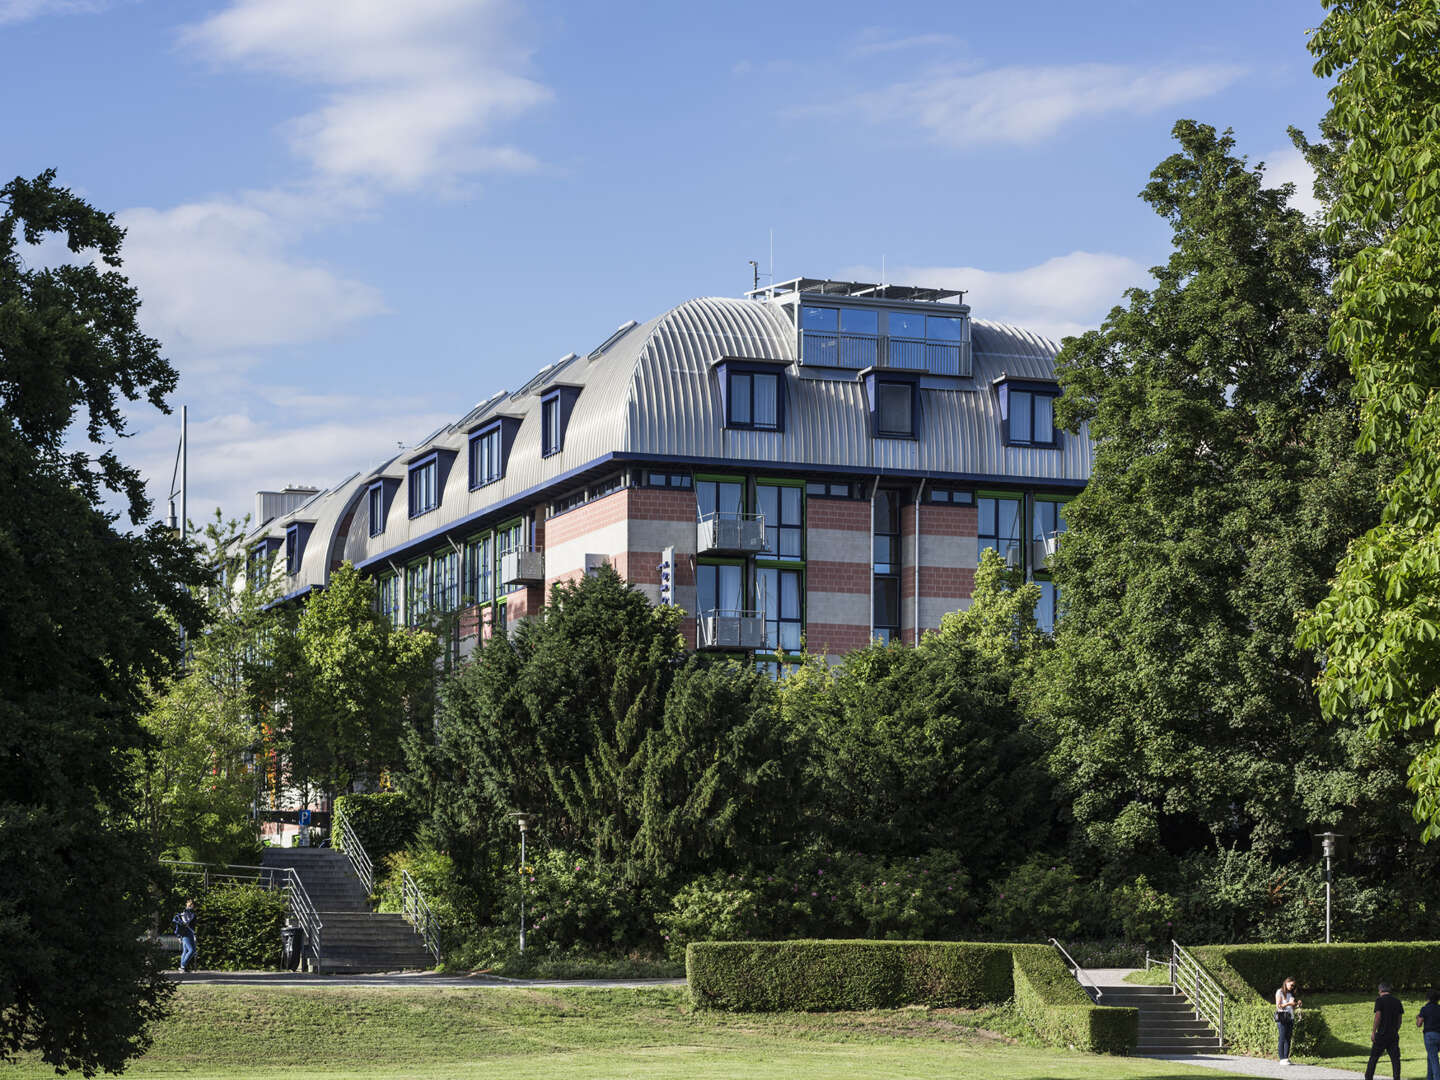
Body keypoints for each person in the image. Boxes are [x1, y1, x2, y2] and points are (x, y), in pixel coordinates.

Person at [1365, 981, 1404, 1080]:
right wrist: (1396, 1029)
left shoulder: (1380, 1000)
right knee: (1395, 1059)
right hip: (1393, 1035)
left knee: (1373, 1058)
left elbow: (1378, 1016)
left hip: (1382, 1034)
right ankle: (1396, 1078)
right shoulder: (1397, 1001)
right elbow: (1400, 1019)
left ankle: (1368, 1077)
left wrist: (1374, 1031)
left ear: (1380, 990)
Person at [1275, 976, 1302, 1064]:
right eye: (1291, 985)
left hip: (1290, 1017)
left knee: (1288, 1038)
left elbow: (1292, 1008)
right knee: (1282, 1037)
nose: (1292, 987)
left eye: (1293, 986)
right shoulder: (1280, 992)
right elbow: (1278, 1006)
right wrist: (1289, 1003)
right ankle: (1281, 1058)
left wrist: (1297, 1004)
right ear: (1286, 983)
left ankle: (1286, 1058)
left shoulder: (1291, 993)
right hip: (1282, 1017)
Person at [1417, 988, 1440, 1080]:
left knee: (1434, 1061)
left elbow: (1419, 1024)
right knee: (1430, 1058)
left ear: (1428, 998)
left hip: (1430, 1036)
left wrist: (1418, 1017)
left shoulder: (1425, 1008)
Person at [172, 899, 198, 974]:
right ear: (192, 905)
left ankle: (183, 968)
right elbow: (187, 923)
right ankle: (182, 966)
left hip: (184, 933)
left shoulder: (185, 912)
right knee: (192, 950)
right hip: (187, 933)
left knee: (185, 950)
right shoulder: (188, 912)